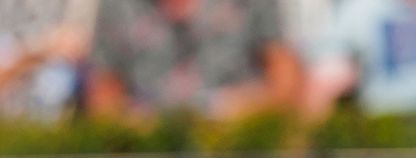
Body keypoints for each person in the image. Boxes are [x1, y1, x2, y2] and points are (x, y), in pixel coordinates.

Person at [86, 0, 302, 120]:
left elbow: (285, 75)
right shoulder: (117, 6)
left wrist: (250, 108)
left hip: (237, 152)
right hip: (152, 153)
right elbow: (103, 90)